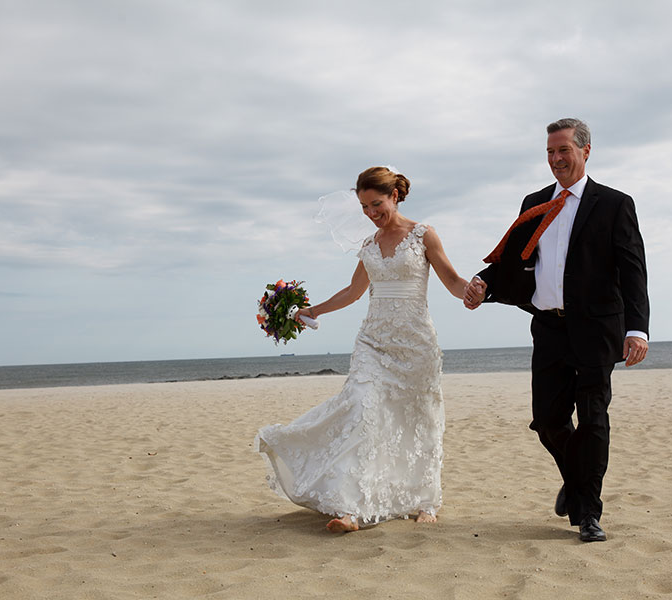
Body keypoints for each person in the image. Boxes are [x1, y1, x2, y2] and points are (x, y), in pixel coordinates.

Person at [464, 118, 650, 542]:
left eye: (563, 150)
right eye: (550, 152)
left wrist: (637, 329)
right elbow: (511, 261)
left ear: (586, 151)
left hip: (598, 329)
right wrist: (483, 284)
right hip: (549, 328)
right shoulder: (535, 202)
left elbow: (633, 269)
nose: (556, 159)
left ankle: (589, 513)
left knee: (593, 417)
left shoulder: (614, 204)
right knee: (548, 421)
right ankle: (578, 481)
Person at [256, 166, 471, 533]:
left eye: (377, 204)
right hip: (373, 342)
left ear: (395, 196)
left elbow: (451, 279)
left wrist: (473, 292)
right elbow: (353, 293)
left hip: (415, 344)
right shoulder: (369, 246)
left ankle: (424, 499)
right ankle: (351, 509)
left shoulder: (423, 235)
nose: (371, 213)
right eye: (364, 207)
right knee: (361, 410)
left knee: (417, 418)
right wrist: (312, 310)